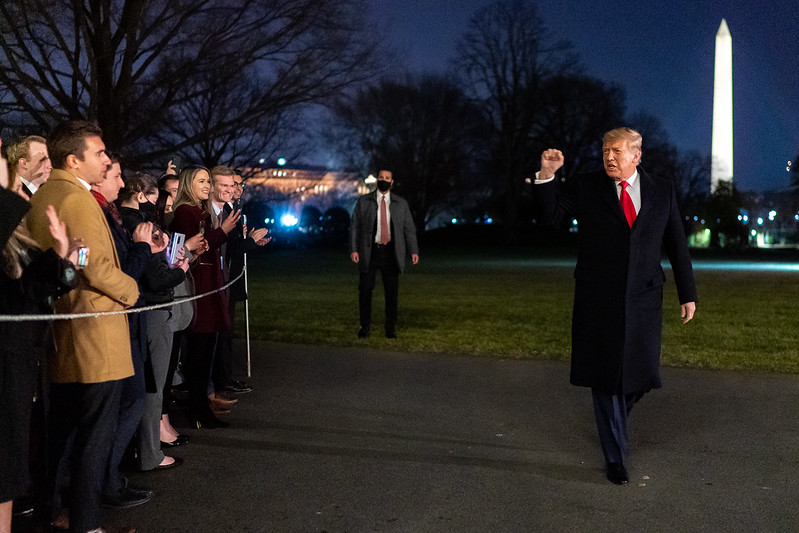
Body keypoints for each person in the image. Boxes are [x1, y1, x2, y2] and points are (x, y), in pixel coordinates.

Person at [533, 127, 697, 485]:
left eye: (617, 151)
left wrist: (688, 293)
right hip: (598, 297)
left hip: (645, 297)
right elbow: (549, 218)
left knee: (641, 375)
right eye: (605, 150)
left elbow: (676, 243)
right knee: (606, 375)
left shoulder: (662, 189)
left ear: (636, 156)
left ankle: (615, 418)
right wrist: (547, 175)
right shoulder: (587, 186)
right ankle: (615, 458)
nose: (609, 157)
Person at [25, 120, 139, 532]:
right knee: (93, 438)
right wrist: (132, 290)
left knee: (65, 433)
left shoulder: (51, 192)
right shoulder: (75, 198)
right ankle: (86, 523)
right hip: (93, 334)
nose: (107, 160)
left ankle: (54, 511)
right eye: (100, 153)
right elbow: (94, 265)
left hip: (70, 331)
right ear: (74, 160)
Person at [1, 168, 77, 533]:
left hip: (21, 355)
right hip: (8, 359)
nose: (22, 195)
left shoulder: (18, 240)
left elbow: (33, 287)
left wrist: (62, 260)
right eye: (13, 186)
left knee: (10, 465)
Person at [169, 166, 240, 428]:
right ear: (189, 183)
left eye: (208, 181)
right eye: (202, 181)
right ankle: (198, 410)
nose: (207, 185)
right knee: (199, 353)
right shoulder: (185, 212)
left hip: (210, 286)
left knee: (206, 350)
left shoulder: (201, 211)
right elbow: (192, 247)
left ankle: (201, 408)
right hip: (198, 288)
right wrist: (222, 231)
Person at [349, 169, 419, 339]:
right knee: (365, 290)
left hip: (391, 253)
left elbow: (409, 229)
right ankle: (364, 327)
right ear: (377, 180)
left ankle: (390, 328)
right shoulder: (364, 201)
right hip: (370, 251)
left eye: (387, 178)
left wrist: (413, 250)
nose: (384, 180)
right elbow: (355, 226)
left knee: (391, 293)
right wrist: (354, 249)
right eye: (381, 177)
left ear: (392, 182)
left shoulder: (400, 203)